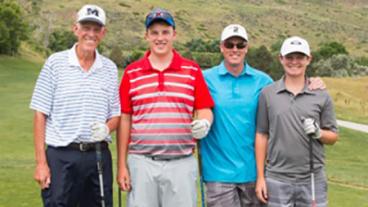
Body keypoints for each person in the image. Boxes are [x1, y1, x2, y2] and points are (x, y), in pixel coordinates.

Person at [200, 25, 326, 207]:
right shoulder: (205, 78)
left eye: (240, 45)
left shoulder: (263, 81)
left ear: (247, 47)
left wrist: (312, 81)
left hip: (255, 173)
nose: (235, 49)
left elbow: (288, 89)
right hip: (218, 173)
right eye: (230, 44)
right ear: (221, 47)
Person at [117, 8, 214, 207]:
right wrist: (121, 166)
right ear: (146, 36)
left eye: (165, 32)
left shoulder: (192, 70)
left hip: (181, 162)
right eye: (154, 33)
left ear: (174, 35)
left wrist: (205, 121)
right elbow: (125, 118)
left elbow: (204, 107)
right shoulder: (132, 72)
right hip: (142, 162)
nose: (160, 38)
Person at [30, 4, 120, 207]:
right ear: (75, 29)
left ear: (103, 33)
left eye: (96, 29)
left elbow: (115, 114)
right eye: (86, 28)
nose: (91, 34)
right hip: (61, 156)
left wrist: (107, 127)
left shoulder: (110, 69)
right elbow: (40, 114)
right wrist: (41, 163)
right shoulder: (55, 63)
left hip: (97, 155)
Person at [255, 36, 338, 207]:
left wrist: (318, 133)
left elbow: (333, 137)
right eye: (289, 57)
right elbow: (262, 135)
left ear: (309, 59)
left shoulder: (321, 95)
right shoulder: (268, 94)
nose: (294, 62)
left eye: (300, 57)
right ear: (281, 59)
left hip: (312, 179)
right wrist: (261, 178)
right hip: (277, 178)